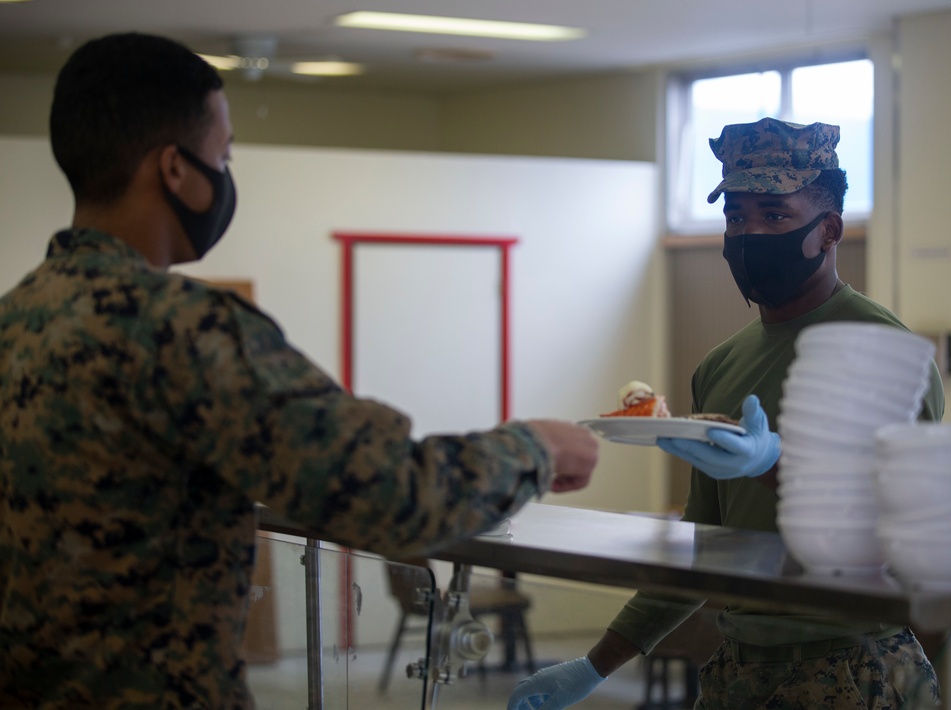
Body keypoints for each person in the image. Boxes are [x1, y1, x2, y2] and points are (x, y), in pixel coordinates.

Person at [0, 33, 600, 710]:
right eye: (222, 156)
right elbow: (387, 493)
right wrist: (533, 448)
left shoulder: (16, 319)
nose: (224, 175)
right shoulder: (182, 326)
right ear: (174, 168)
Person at [507, 118, 945, 709]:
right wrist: (594, 665)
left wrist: (773, 466)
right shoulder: (720, 366)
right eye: (736, 217)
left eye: (775, 215)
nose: (749, 234)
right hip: (739, 668)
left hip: (854, 668)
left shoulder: (883, 350)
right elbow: (702, 550)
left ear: (829, 229)